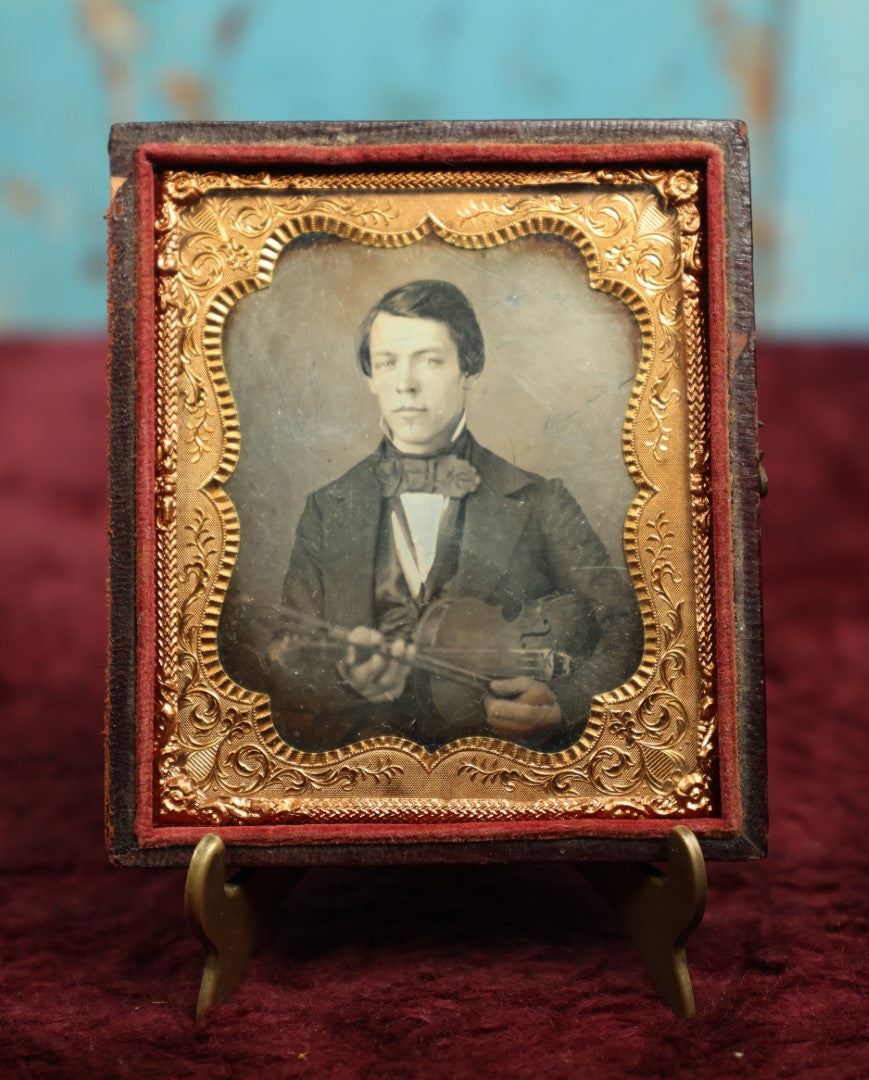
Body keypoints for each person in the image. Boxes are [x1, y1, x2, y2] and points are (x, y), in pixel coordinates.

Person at [264, 279, 643, 752]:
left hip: (505, 780)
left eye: (429, 360)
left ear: (468, 367)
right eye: (388, 362)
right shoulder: (326, 507)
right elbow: (286, 658)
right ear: (371, 378)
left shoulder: (541, 499)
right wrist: (346, 676)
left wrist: (566, 700)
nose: (406, 382)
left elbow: (628, 624)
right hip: (365, 786)